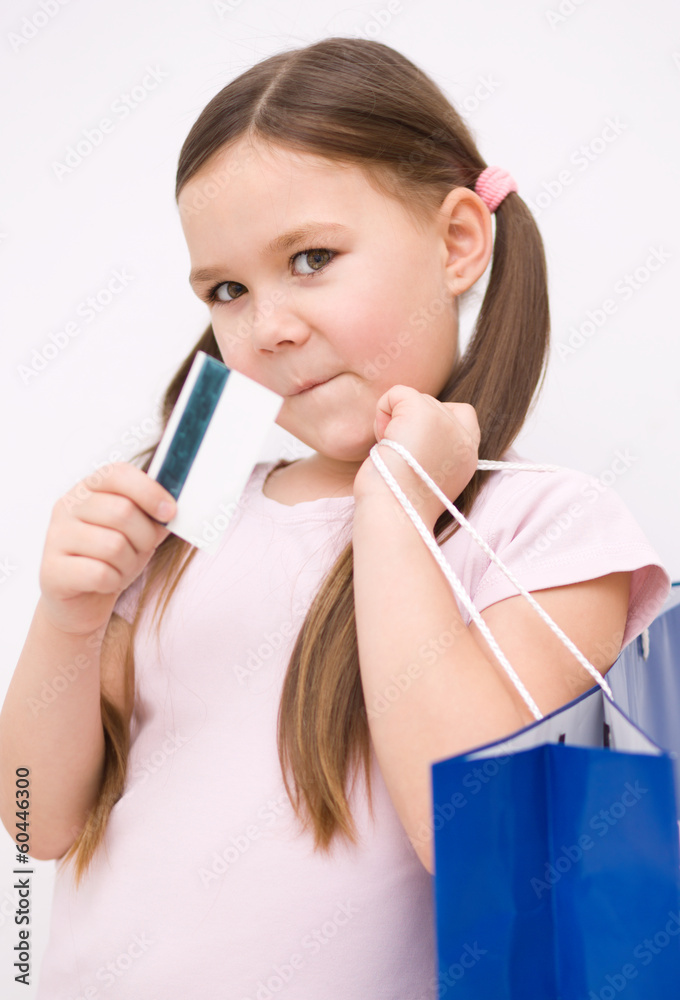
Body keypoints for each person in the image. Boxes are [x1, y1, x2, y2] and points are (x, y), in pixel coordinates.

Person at [0, 36, 670, 1000]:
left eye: (311, 259)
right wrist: (65, 618)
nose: (267, 327)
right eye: (227, 291)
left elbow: (479, 844)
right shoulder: (183, 522)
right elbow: (33, 823)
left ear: (457, 243)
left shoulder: (547, 528)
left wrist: (394, 507)